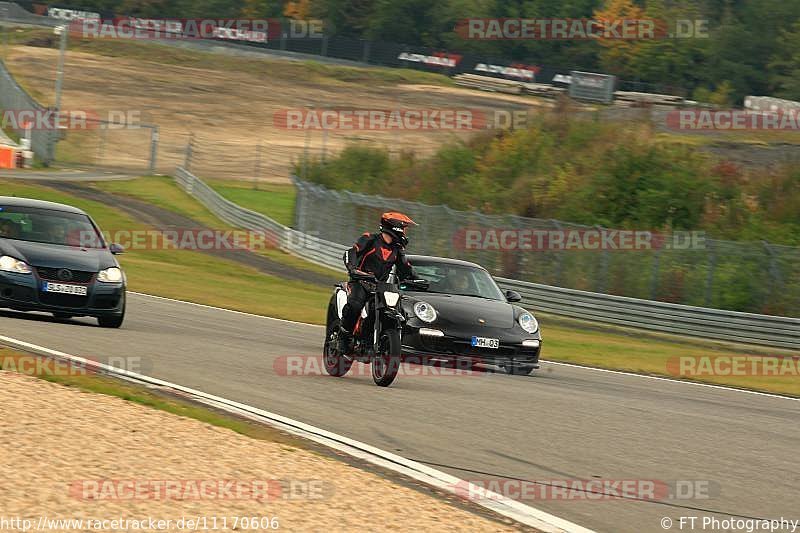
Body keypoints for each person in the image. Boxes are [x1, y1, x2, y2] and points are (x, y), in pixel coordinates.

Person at [338, 212, 417, 353]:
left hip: (380, 287)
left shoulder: (397, 249)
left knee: (388, 309)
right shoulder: (370, 239)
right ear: (396, 228)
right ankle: (343, 337)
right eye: (404, 228)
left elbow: (405, 268)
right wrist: (352, 268)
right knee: (356, 305)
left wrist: (416, 279)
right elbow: (351, 253)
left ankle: (370, 340)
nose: (405, 232)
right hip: (360, 282)